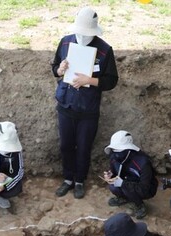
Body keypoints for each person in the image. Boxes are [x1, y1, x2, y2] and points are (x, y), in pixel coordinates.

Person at [52, 7, 119, 199]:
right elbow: (54, 67)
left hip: (88, 108)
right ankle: (67, 179)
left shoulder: (105, 50)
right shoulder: (65, 42)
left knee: (83, 147)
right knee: (66, 145)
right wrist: (60, 69)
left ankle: (80, 180)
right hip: (66, 103)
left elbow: (111, 80)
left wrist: (89, 81)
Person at [101, 130, 158, 219]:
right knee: (113, 187)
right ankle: (124, 198)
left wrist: (123, 184)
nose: (115, 153)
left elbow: (145, 187)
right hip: (126, 181)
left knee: (126, 188)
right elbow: (114, 172)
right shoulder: (114, 156)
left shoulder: (143, 162)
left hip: (146, 188)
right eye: (114, 149)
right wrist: (110, 175)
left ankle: (139, 205)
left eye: (118, 149)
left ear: (128, 149)